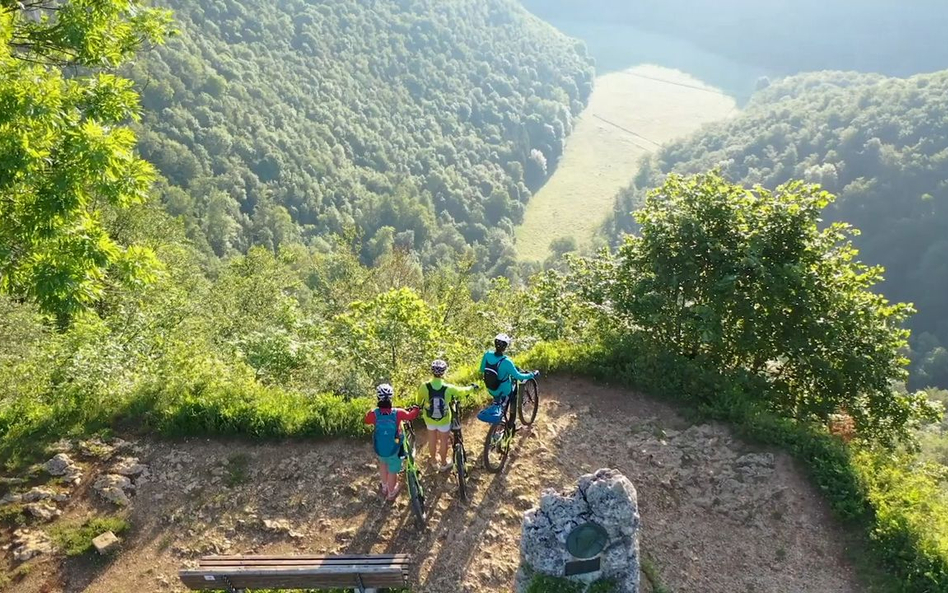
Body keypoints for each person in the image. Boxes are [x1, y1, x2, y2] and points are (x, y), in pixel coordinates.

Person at [416, 359, 478, 472]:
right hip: (444, 419)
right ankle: (444, 463)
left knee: (432, 440)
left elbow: (419, 401)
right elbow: (462, 391)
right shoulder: (448, 388)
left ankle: (434, 461)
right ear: (444, 372)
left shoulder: (424, 387)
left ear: (432, 371)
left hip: (429, 419)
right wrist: (472, 388)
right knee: (444, 441)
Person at [363, 383, 420, 502]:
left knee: (383, 464)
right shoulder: (397, 412)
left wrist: (369, 411)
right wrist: (416, 408)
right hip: (394, 447)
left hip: (380, 448)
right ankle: (391, 491)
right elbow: (411, 416)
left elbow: (366, 420)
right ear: (391, 397)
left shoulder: (374, 414)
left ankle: (384, 486)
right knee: (393, 470)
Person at [479, 333, 539, 418]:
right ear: (505, 347)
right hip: (504, 391)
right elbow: (519, 376)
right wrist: (532, 374)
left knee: (498, 393)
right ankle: (511, 419)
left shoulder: (487, 354)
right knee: (513, 394)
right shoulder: (506, 361)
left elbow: (481, 370)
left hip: (490, 388)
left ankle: (498, 406)